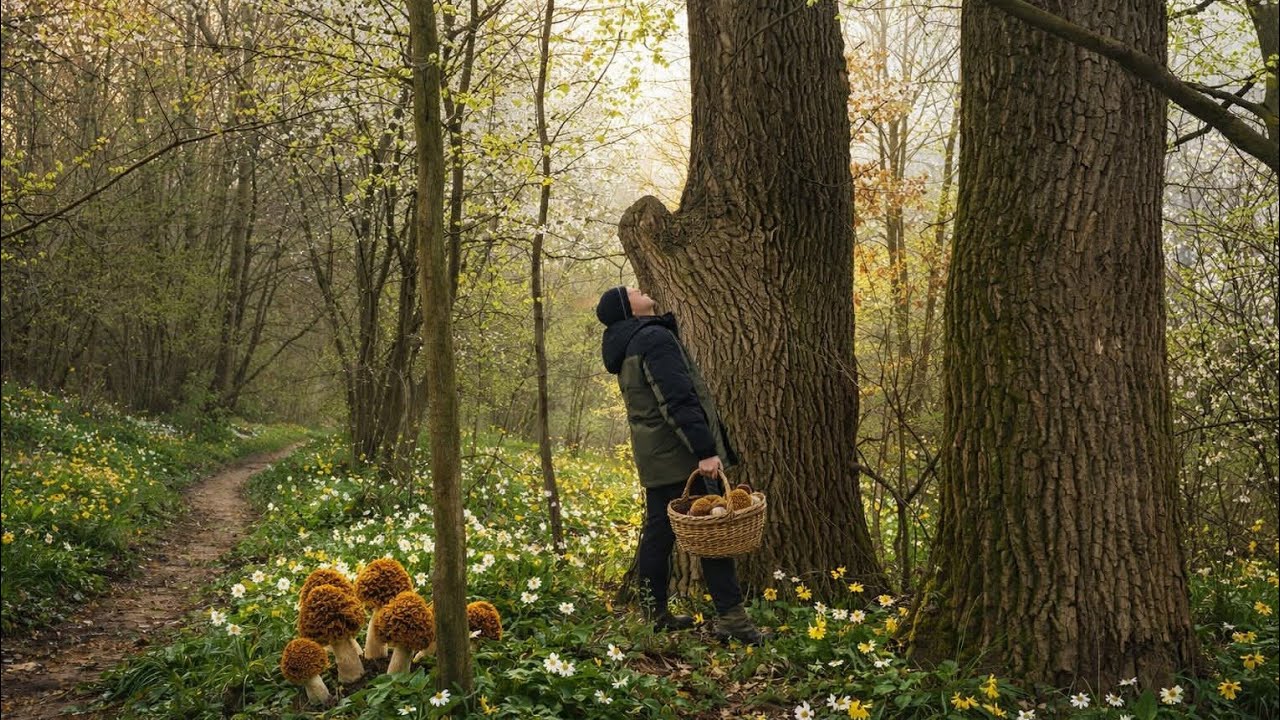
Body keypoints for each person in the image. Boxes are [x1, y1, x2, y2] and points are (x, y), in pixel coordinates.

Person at [596, 285, 764, 645]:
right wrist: (704, 450)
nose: (640, 289)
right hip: (681, 457)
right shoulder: (652, 337)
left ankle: (653, 613)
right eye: (632, 291)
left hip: (657, 458)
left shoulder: (628, 343)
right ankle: (733, 620)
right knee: (714, 529)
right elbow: (676, 398)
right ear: (629, 308)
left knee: (658, 534)